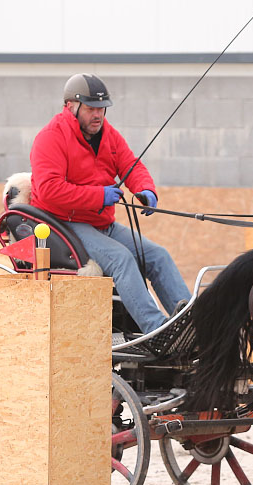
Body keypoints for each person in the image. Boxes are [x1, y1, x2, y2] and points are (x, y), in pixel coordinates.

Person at [29, 72, 190, 334]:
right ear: (71, 106)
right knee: (121, 259)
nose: (99, 115)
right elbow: (48, 191)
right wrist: (98, 195)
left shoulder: (108, 134)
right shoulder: (50, 138)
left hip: (101, 222)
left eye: (102, 109)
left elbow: (130, 164)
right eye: (91, 108)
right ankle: (157, 330)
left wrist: (145, 189)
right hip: (64, 223)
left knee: (158, 256)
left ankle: (189, 323)